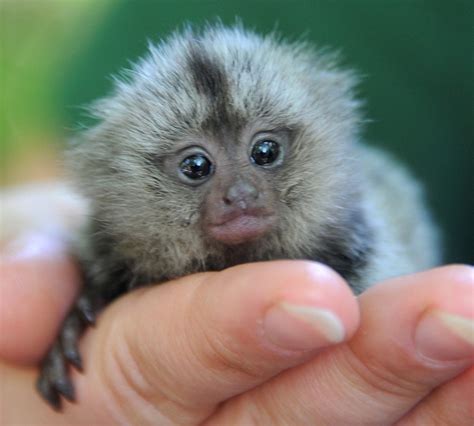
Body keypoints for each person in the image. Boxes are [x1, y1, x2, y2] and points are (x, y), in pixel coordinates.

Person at [1, 185, 473, 424]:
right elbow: (56, 166)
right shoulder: (110, 243)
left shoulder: (359, 230)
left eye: (265, 154)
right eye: (196, 169)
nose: (239, 191)